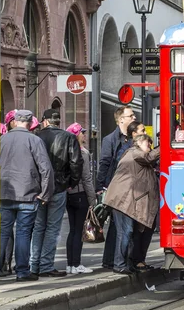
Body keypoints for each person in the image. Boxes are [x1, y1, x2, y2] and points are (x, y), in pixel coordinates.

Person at [0, 110, 54, 282]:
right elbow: (46, 169)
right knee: (24, 233)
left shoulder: (1, 140)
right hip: (28, 194)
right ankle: (22, 271)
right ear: (30, 123)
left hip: (3, 194)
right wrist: (45, 194)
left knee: (1, 233)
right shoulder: (35, 140)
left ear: (15, 122)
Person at [32, 109, 81, 277]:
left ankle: (34, 264)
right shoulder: (69, 137)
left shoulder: (36, 136)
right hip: (59, 187)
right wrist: (70, 184)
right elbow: (76, 164)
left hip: (38, 188)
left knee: (38, 227)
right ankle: (46, 265)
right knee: (53, 228)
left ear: (44, 121)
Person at [104, 134, 160, 274]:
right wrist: (164, 146)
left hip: (127, 200)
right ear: (139, 142)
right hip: (123, 200)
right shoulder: (134, 152)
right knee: (125, 232)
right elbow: (149, 157)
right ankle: (119, 264)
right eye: (148, 143)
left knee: (130, 232)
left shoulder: (138, 157)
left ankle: (127, 263)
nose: (150, 147)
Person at [96, 106, 136, 270]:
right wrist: (100, 186)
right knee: (122, 227)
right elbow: (105, 162)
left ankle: (111, 260)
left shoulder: (134, 138)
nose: (134, 117)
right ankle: (116, 261)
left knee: (116, 226)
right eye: (130, 115)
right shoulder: (110, 139)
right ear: (121, 120)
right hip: (115, 187)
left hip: (131, 188)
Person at [65, 123, 97, 274]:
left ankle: (70, 264)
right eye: (81, 133)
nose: (84, 135)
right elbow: (86, 178)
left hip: (69, 194)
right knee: (79, 231)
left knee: (72, 231)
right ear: (76, 135)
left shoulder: (65, 151)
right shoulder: (82, 153)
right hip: (81, 194)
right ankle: (76, 264)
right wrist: (92, 199)